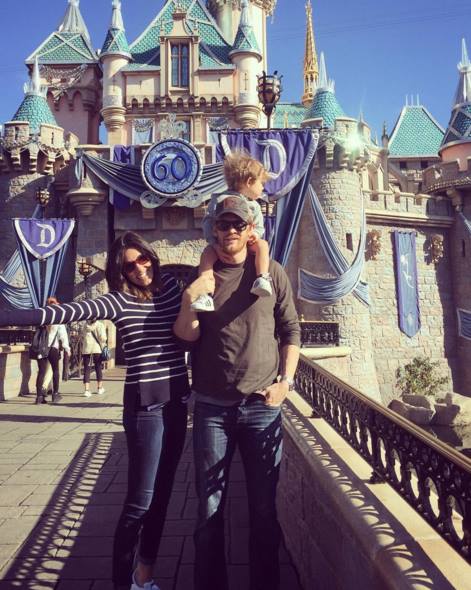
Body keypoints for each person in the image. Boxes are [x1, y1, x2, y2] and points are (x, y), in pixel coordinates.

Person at [0, 231, 190, 590]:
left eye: (143, 259)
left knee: (163, 497)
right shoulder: (118, 300)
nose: (139, 268)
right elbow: (70, 311)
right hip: (146, 408)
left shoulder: (170, 288)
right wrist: (12, 313)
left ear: (151, 256)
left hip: (178, 402)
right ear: (120, 272)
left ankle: (144, 577)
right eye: (129, 266)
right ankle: (121, 583)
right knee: (141, 501)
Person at [173, 195, 301, 590]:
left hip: (262, 406)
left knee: (263, 512)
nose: (230, 230)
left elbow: (291, 331)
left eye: (237, 224)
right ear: (214, 229)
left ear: (250, 231)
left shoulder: (272, 272)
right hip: (212, 409)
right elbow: (186, 338)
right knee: (209, 511)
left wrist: (285, 383)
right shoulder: (202, 275)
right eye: (223, 224)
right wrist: (189, 301)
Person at [191, 151, 272, 312]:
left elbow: (259, 227)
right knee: (207, 254)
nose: (263, 188)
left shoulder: (253, 206)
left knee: (262, 245)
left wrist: (255, 235)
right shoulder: (219, 201)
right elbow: (208, 222)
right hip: (221, 245)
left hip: (247, 244)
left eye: (239, 224)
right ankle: (205, 295)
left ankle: (262, 277)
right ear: (249, 182)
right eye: (261, 183)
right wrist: (214, 243)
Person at [34, 296, 70, 405]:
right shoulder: (58, 319)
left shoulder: (42, 318)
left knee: (41, 372)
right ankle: (55, 394)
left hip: (41, 348)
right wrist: (67, 348)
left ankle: (39, 397)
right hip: (53, 348)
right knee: (55, 370)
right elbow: (63, 335)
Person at [81, 318, 107, 397]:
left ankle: (87, 390)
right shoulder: (100, 325)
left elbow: (82, 337)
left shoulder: (85, 325)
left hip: (86, 350)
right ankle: (99, 388)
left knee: (86, 369)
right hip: (97, 349)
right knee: (98, 368)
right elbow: (103, 338)